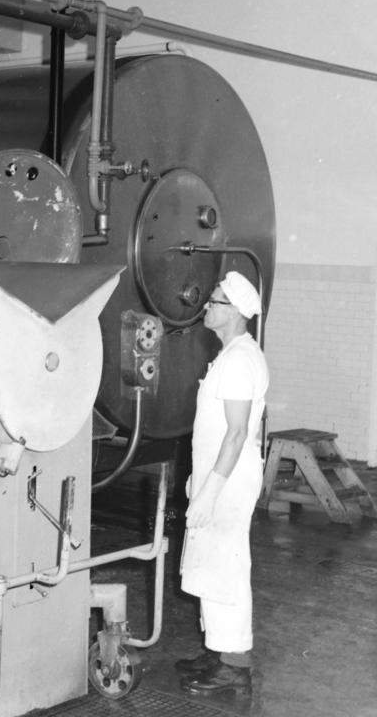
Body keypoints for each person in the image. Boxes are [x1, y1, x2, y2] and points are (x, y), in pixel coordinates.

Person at [176, 271, 268, 698]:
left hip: (228, 484)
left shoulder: (238, 361)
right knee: (212, 566)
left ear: (233, 312)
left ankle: (234, 666)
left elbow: (235, 434)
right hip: (219, 478)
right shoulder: (230, 355)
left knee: (226, 567)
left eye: (214, 302)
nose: (206, 307)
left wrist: (210, 493)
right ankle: (218, 651)